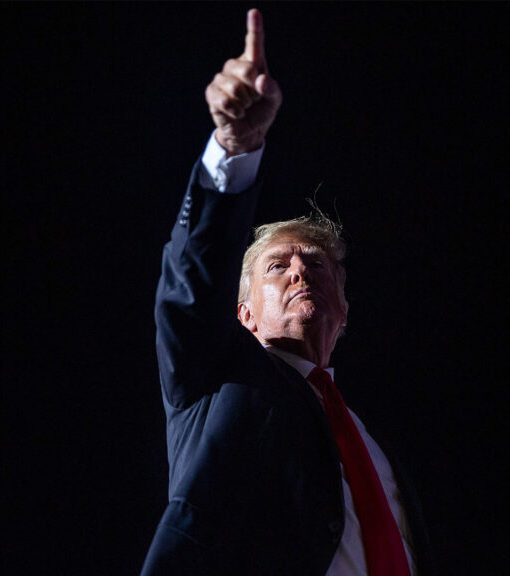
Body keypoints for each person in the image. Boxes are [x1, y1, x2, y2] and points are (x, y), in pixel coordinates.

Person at [142, 9, 433, 575]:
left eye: (318, 265)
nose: (301, 273)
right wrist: (234, 148)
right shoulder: (217, 376)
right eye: (278, 266)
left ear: (344, 311)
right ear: (243, 314)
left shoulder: (376, 449)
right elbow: (191, 285)